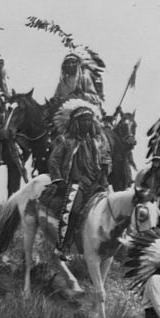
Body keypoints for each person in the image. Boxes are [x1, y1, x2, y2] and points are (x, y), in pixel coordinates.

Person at [41, 99, 110, 260]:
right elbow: (54, 161)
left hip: (95, 183)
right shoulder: (65, 140)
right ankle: (63, 246)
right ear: (76, 122)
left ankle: (103, 249)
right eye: (83, 120)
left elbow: (106, 157)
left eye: (89, 119)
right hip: (76, 182)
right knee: (73, 211)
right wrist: (58, 180)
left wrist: (106, 167)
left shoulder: (98, 141)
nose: (87, 123)